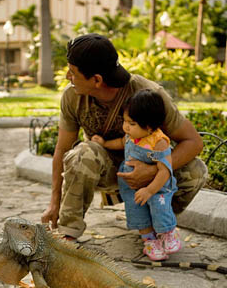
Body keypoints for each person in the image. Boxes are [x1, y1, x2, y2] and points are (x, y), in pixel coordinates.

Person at [41, 33, 207, 241]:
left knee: (195, 171)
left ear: (97, 80)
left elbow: (193, 142)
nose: (67, 76)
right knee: (82, 153)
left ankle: (158, 224)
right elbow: (62, 149)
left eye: (73, 72)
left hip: (151, 171)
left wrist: (153, 170)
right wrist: (54, 202)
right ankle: (68, 235)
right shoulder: (72, 96)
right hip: (108, 171)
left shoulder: (148, 93)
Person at [92, 89, 181, 260]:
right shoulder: (131, 136)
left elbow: (164, 171)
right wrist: (104, 143)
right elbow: (121, 142)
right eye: (125, 121)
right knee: (136, 209)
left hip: (156, 185)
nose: (126, 127)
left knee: (159, 207)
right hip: (131, 184)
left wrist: (150, 191)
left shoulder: (159, 142)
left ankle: (168, 232)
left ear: (149, 126)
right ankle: (149, 240)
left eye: (131, 123)